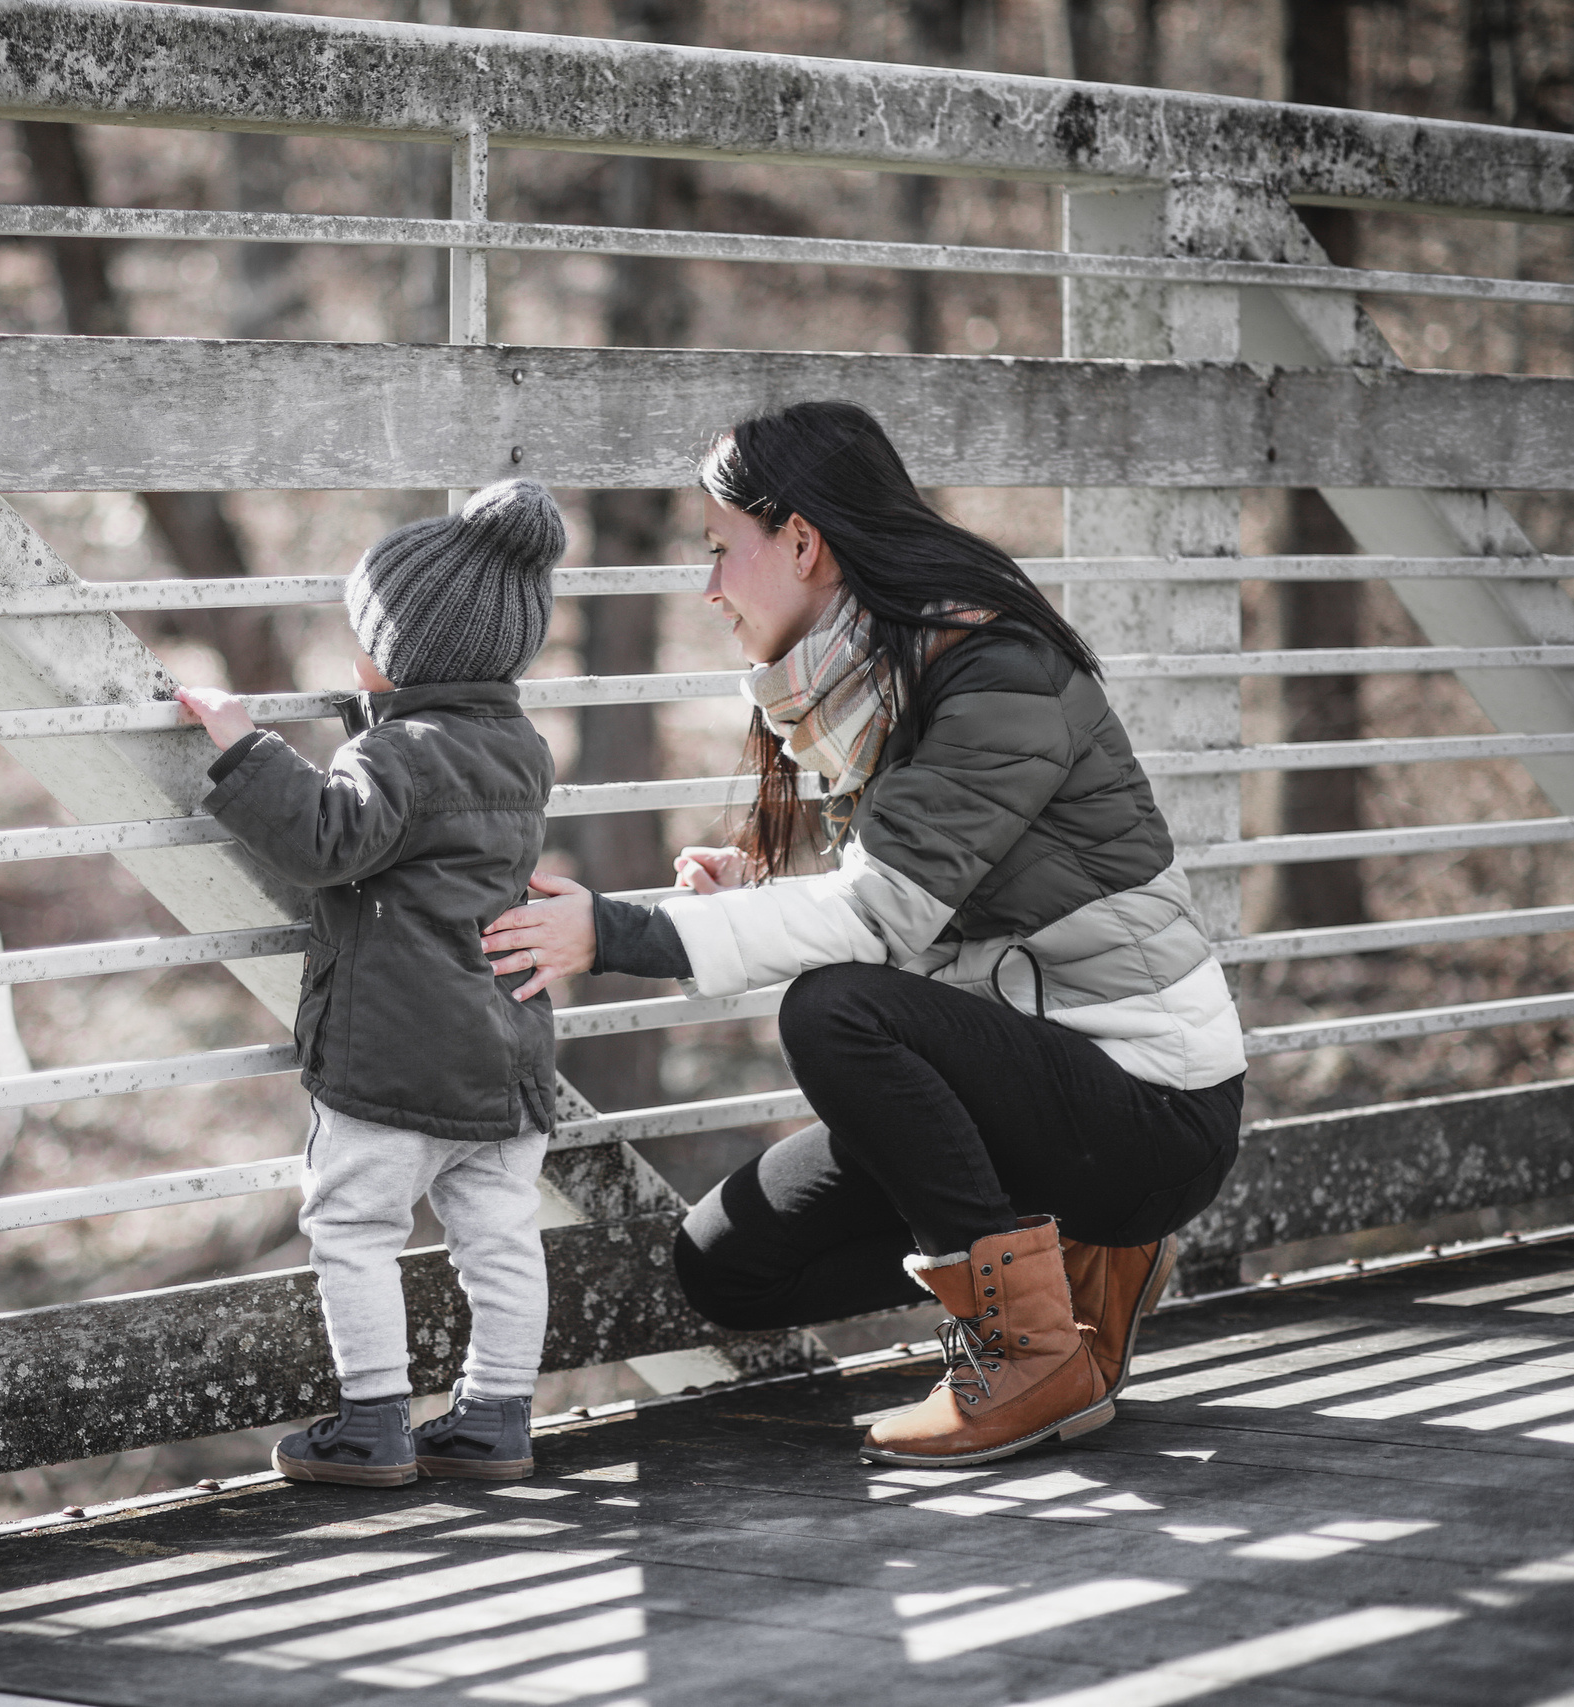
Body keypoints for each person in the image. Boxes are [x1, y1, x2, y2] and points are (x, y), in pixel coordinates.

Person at [478, 403, 1246, 1468]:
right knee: (727, 1267)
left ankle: (1027, 1350)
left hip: (1148, 1105)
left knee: (831, 1012)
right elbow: (923, 891)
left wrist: (616, 933)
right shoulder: (871, 675)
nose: (706, 588)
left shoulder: (993, 671)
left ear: (800, 539)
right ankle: (1068, 1261)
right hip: (1027, 1083)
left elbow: (877, 916)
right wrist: (756, 891)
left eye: (716, 549)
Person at [175, 479, 568, 1486]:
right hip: (507, 1047)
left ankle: (374, 1417)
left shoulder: (394, 755)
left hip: (396, 1054)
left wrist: (242, 747)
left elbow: (325, 837)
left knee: (352, 1227)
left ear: (394, 654)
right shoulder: (521, 751)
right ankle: (494, 1415)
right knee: (499, 1237)